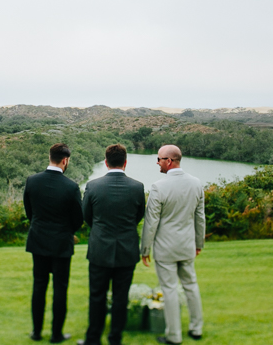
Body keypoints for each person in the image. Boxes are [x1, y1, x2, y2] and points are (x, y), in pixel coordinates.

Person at [78, 144, 146, 345]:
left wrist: (100, 230)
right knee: (120, 298)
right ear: (125, 162)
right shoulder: (137, 187)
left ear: (106, 162)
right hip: (127, 249)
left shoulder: (93, 186)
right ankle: (115, 339)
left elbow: (86, 216)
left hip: (100, 248)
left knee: (97, 296)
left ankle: (93, 339)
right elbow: (138, 216)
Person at [140, 145, 205, 344]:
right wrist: (198, 243)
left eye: (159, 159)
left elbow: (151, 222)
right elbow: (199, 218)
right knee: (191, 286)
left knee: (169, 290)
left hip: (165, 249)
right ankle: (196, 329)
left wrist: (145, 249)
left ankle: (174, 336)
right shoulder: (196, 184)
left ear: (169, 161)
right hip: (187, 246)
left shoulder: (158, 186)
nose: (157, 163)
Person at [24, 143, 84, 344]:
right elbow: (78, 219)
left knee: (39, 287)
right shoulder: (71, 186)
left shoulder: (32, 181)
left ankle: (36, 332)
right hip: (61, 243)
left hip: (38, 240)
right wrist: (68, 232)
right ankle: (56, 335)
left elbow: (29, 213)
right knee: (60, 288)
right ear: (65, 160)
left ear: (50, 157)